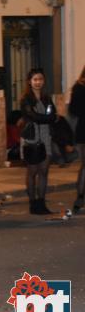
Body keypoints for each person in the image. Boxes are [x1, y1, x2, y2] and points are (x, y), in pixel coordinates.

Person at [20, 68, 57, 214]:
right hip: (32, 138)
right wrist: (49, 118)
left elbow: (53, 113)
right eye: (35, 79)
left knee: (44, 171)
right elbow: (33, 116)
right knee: (32, 172)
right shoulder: (26, 99)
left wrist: (50, 118)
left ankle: (41, 203)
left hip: (46, 136)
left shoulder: (47, 97)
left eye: (40, 79)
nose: (38, 82)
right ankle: (32, 203)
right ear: (30, 81)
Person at [69, 65, 85, 213]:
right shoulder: (80, 87)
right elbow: (74, 110)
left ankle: (80, 198)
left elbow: (73, 110)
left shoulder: (77, 87)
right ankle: (80, 197)